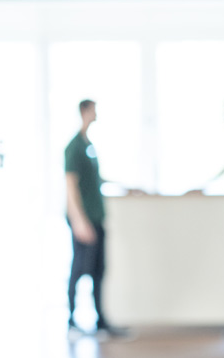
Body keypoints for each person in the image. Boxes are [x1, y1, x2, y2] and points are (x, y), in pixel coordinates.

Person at [65, 99, 125, 338]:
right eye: (93, 109)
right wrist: (79, 221)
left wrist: (125, 187)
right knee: (79, 270)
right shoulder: (74, 147)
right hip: (84, 220)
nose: (96, 114)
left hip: (97, 218)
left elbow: (95, 180)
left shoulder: (89, 145)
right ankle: (72, 321)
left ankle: (100, 321)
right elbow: (70, 186)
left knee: (99, 269)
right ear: (84, 111)